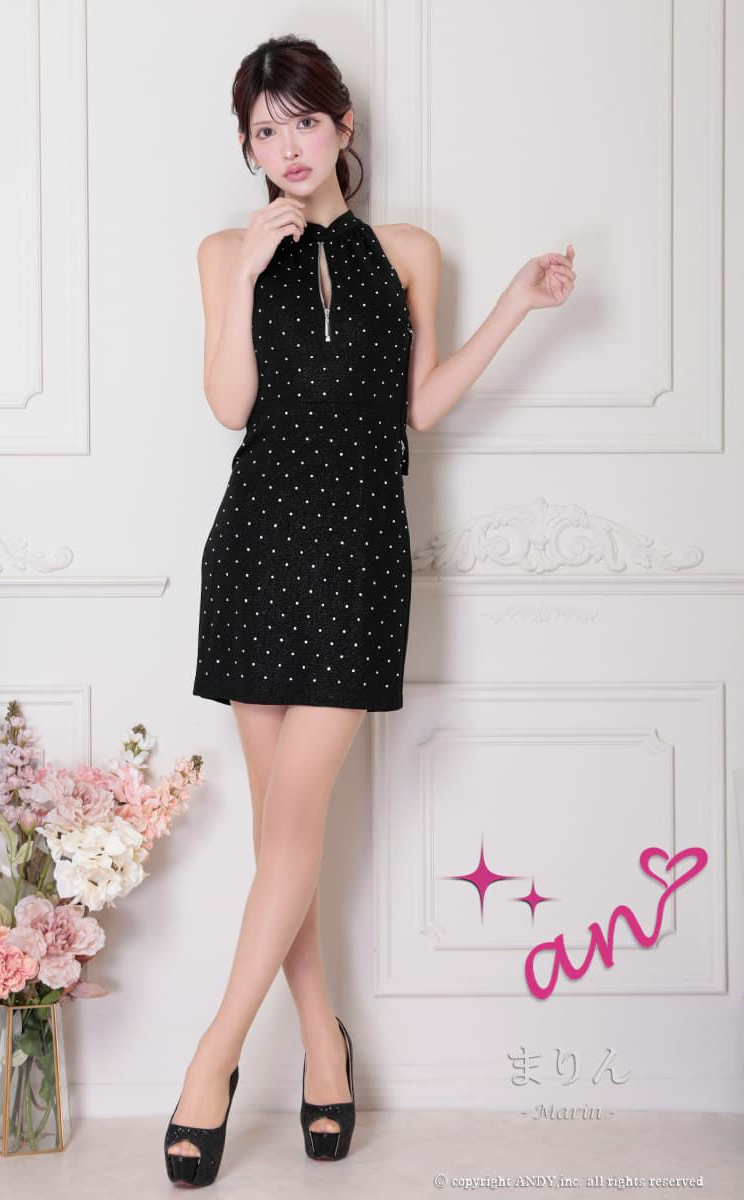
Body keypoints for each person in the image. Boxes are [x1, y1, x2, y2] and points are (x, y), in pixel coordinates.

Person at [164, 34, 576, 1187]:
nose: (288, 146)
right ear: (247, 147)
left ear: (344, 126)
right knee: (281, 838)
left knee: (293, 830)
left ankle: (210, 1061)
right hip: (254, 551)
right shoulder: (224, 251)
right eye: (265, 130)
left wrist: (516, 304)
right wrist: (248, 274)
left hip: (355, 556)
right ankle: (326, 1049)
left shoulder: (408, 251)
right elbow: (228, 405)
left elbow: (423, 407)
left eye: (304, 121)